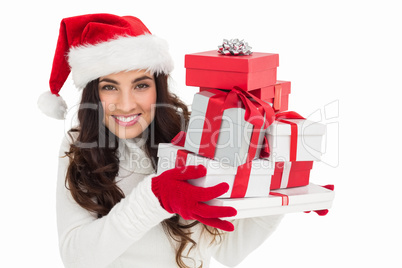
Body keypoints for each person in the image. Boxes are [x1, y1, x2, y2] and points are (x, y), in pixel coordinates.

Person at [38, 13, 283, 268]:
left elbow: (229, 250)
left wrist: (283, 194)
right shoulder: (79, 145)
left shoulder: (193, 132)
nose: (125, 105)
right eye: (109, 87)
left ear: (158, 86)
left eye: (140, 86)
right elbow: (76, 258)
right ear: (93, 92)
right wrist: (155, 198)